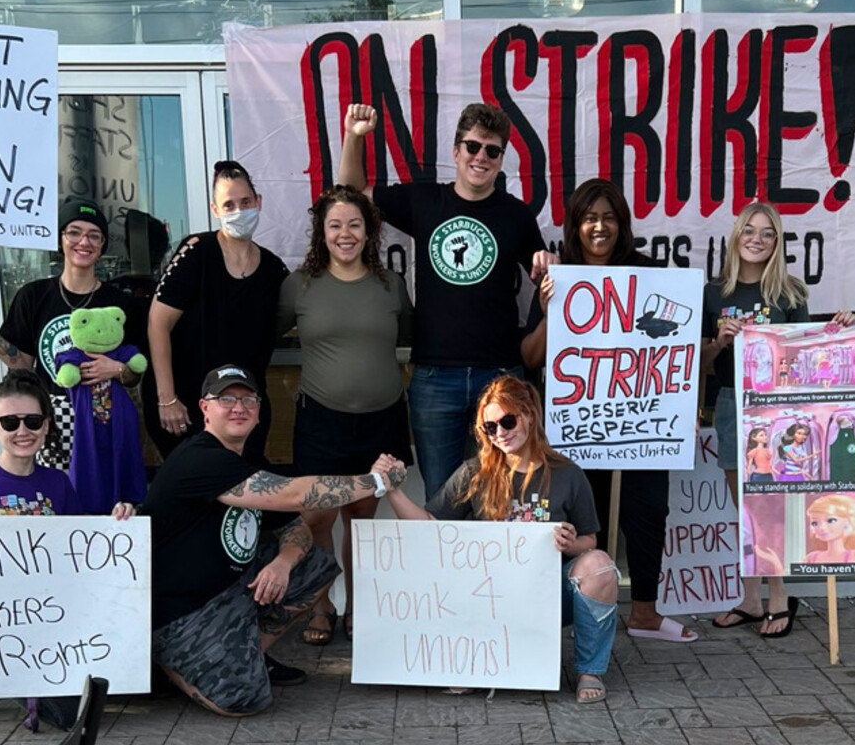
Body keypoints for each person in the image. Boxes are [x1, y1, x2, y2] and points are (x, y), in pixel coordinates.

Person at [142, 364, 408, 718]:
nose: (239, 407)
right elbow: (295, 495)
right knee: (244, 701)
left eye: (248, 399)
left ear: (258, 411)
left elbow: (295, 526)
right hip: (182, 612)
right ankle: (168, 668)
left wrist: (283, 562)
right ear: (205, 409)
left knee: (316, 565)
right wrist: (376, 482)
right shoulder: (199, 458)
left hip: (229, 592)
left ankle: (246, 653)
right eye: (226, 399)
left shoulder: (247, 459)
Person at [338, 102, 557, 500]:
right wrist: (354, 137)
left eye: (492, 151)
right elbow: (350, 195)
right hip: (435, 379)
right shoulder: (424, 200)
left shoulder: (517, 215)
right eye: (473, 147)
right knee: (440, 499)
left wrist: (549, 264)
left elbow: (544, 284)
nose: (481, 157)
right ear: (456, 152)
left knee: (501, 496)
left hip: (500, 377)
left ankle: (493, 566)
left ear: (501, 159)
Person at [519, 178, 696, 643]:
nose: (599, 227)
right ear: (575, 226)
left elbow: (679, 343)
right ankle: (577, 610)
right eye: (589, 217)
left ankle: (644, 613)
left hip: (643, 423)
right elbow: (531, 357)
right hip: (581, 426)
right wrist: (550, 310)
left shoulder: (649, 273)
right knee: (579, 519)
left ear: (622, 224)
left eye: (609, 217)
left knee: (648, 511)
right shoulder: (561, 279)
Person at [383, 375, 619, 704]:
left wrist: (570, 543)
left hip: (547, 595)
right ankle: (476, 660)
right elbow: (429, 525)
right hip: (489, 597)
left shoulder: (566, 473)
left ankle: (589, 669)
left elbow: (590, 541)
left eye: (507, 421)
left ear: (530, 415)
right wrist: (392, 490)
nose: (500, 433)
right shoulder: (475, 472)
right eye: (490, 427)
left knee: (600, 567)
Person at [0, 369, 133, 726]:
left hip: (45, 619)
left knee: (74, 716)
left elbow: (80, 547)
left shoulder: (58, 483)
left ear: (45, 426)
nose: (22, 431)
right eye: (9, 422)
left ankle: (19, 683)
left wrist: (116, 520)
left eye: (32, 420)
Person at [702, 202, 854, 638]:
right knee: (743, 511)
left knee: (769, 506)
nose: (757, 239)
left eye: (767, 233)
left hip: (777, 411)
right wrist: (718, 342)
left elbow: (806, 358)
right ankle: (750, 600)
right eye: (749, 230)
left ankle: (780, 597)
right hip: (732, 403)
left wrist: (840, 329)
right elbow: (703, 364)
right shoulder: (715, 294)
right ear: (736, 237)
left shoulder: (791, 293)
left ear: (777, 242)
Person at [275, 185, 413, 645]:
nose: (345, 233)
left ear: (369, 230)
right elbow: (263, 335)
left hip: (380, 420)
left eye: (355, 224)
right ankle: (321, 606)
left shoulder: (391, 284)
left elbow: (410, 335)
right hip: (321, 421)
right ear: (322, 232)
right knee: (317, 520)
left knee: (360, 519)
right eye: (335, 225)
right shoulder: (300, 285)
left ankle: (356, 605)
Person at [0, 199, 141, 473]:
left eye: (94, 236)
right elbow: (21, 363)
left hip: (105, 414)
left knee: (106, 492)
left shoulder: (119, 303)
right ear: (60, 239)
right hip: (52, 418)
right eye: (74, 232)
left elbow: (134, 376)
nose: (84, 241)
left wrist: (117, 369)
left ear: (102, 245)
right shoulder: (34, 296)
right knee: (59, 494)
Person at [146, 161, 288, 459]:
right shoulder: (196, 251)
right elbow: (158, 323)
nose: (238, 211)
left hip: (243, 410)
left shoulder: (273, 269)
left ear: (258, 202)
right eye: (229, 204)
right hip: (186, 406)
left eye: (245, 202)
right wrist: (166, 398)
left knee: (243, 492)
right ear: (215, 210)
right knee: (195, 495)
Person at [805, 494, 855, 572]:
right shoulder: (811, 558)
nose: (821, 528)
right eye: (815, 523)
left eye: (830, 521)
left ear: (848, 521)